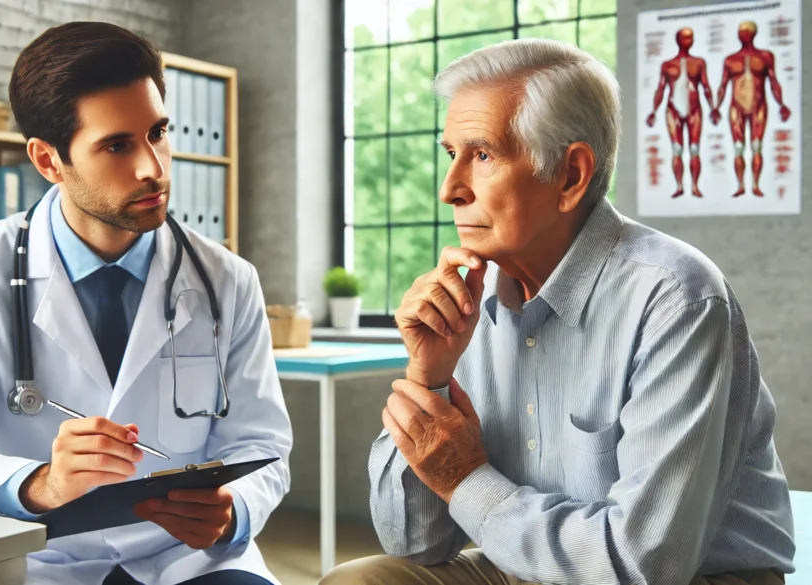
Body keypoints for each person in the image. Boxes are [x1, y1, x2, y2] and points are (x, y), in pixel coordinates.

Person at [321, 39, 795, 585]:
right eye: (451, 154)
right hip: (534, 560)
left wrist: (466, 480)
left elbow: (643, 567)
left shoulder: (677, 298)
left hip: (690, 577)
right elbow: (416, 543)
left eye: (482, 155)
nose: (448, 189)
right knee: (358, 581)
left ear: (570, 176)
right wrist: (431, 378)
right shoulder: (470, 297)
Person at [0, 22, 291, 585]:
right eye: (117, 144)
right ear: (48, 160)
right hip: (41, 559)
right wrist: (42, 485)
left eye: (158, 132)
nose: (152, 167)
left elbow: (261, 443)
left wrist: (232, 510)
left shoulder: (228, 280)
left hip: (187, 561)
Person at [711, 21, 791, 197]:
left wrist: (781, 104)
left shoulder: (765, 57)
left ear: (753, 33)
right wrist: (716, 107)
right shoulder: (731, 60)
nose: (742, 35)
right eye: (740, 32)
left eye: (745, 32)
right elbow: (723, 85)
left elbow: (774, 82)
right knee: (738, 147)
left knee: (756, 146)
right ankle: (740, 185)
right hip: (736, 107)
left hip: (758, 106)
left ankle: (755, 184)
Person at [645, 27, 717, 198]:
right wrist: (653, 111)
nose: (689, 41)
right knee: (677, 149)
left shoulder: (699, 63)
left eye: (691, 38)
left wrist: (713, 108)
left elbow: (706, 86)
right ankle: (679, 186)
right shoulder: (668, 65)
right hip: (673, 111)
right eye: (685, 38)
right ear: (678, 40)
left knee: (694, 148)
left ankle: (694, 186)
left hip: (694, 110)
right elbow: (660, 89)